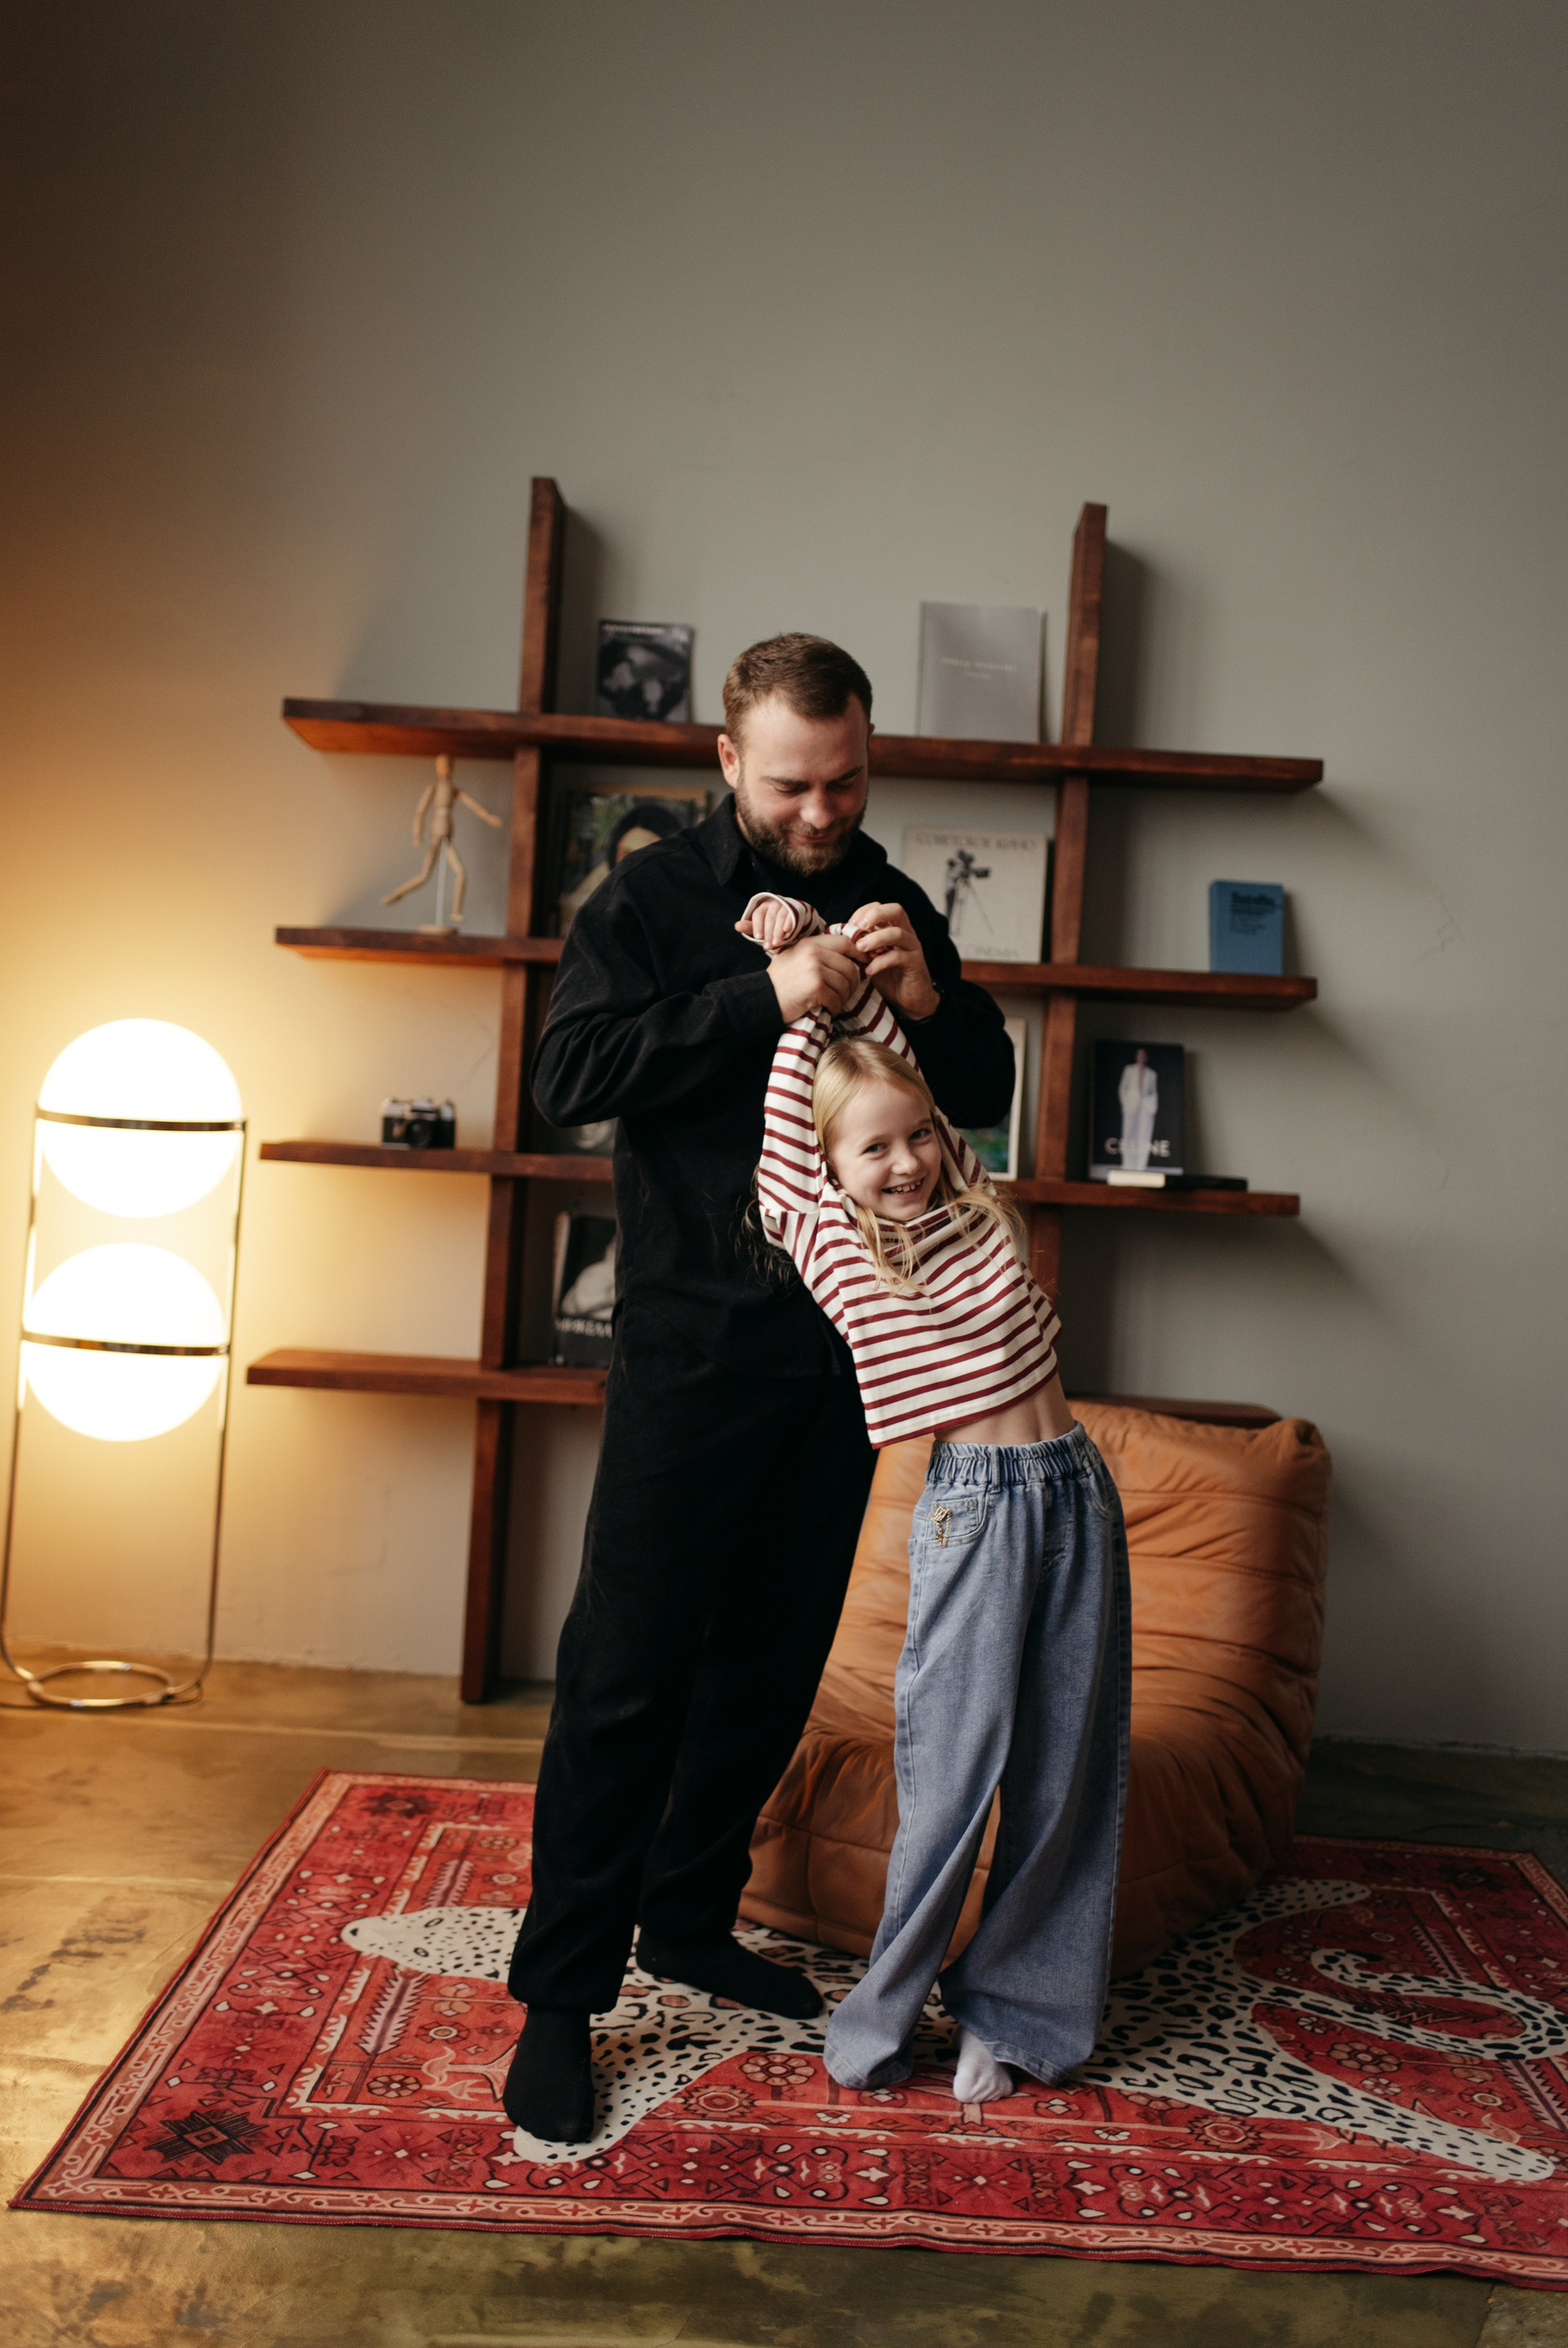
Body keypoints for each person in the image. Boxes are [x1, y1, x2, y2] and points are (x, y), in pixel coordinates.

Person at [503, 634, 1016, 2141]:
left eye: (845, 780)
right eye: (792, 784)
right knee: (625, 1675)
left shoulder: (891, 894)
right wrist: (764, 995)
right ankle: (560, 2001)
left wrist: (933, 1000)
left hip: (847, 1350)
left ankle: (689, 1917)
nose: (821, 811)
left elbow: (982, 1090)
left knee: (773, 1659)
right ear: (729, 760)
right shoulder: (651, 900)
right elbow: (568, 1075)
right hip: (689, 1347)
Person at [745, 887, 1130, 2103]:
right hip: (976, 1507)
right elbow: (799, 1099)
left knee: (1066, 1779)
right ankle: (880, 2021)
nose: (905, 1161)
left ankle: (1013, 2017)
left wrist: (854, 973)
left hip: (1077, 1489)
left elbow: (893, 1060)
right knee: (954, 1777)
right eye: (875, 1149)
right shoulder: (820, 1227)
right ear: (830, 1165)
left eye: (916, 1137)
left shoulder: (957, 1189)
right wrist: (795, 955)